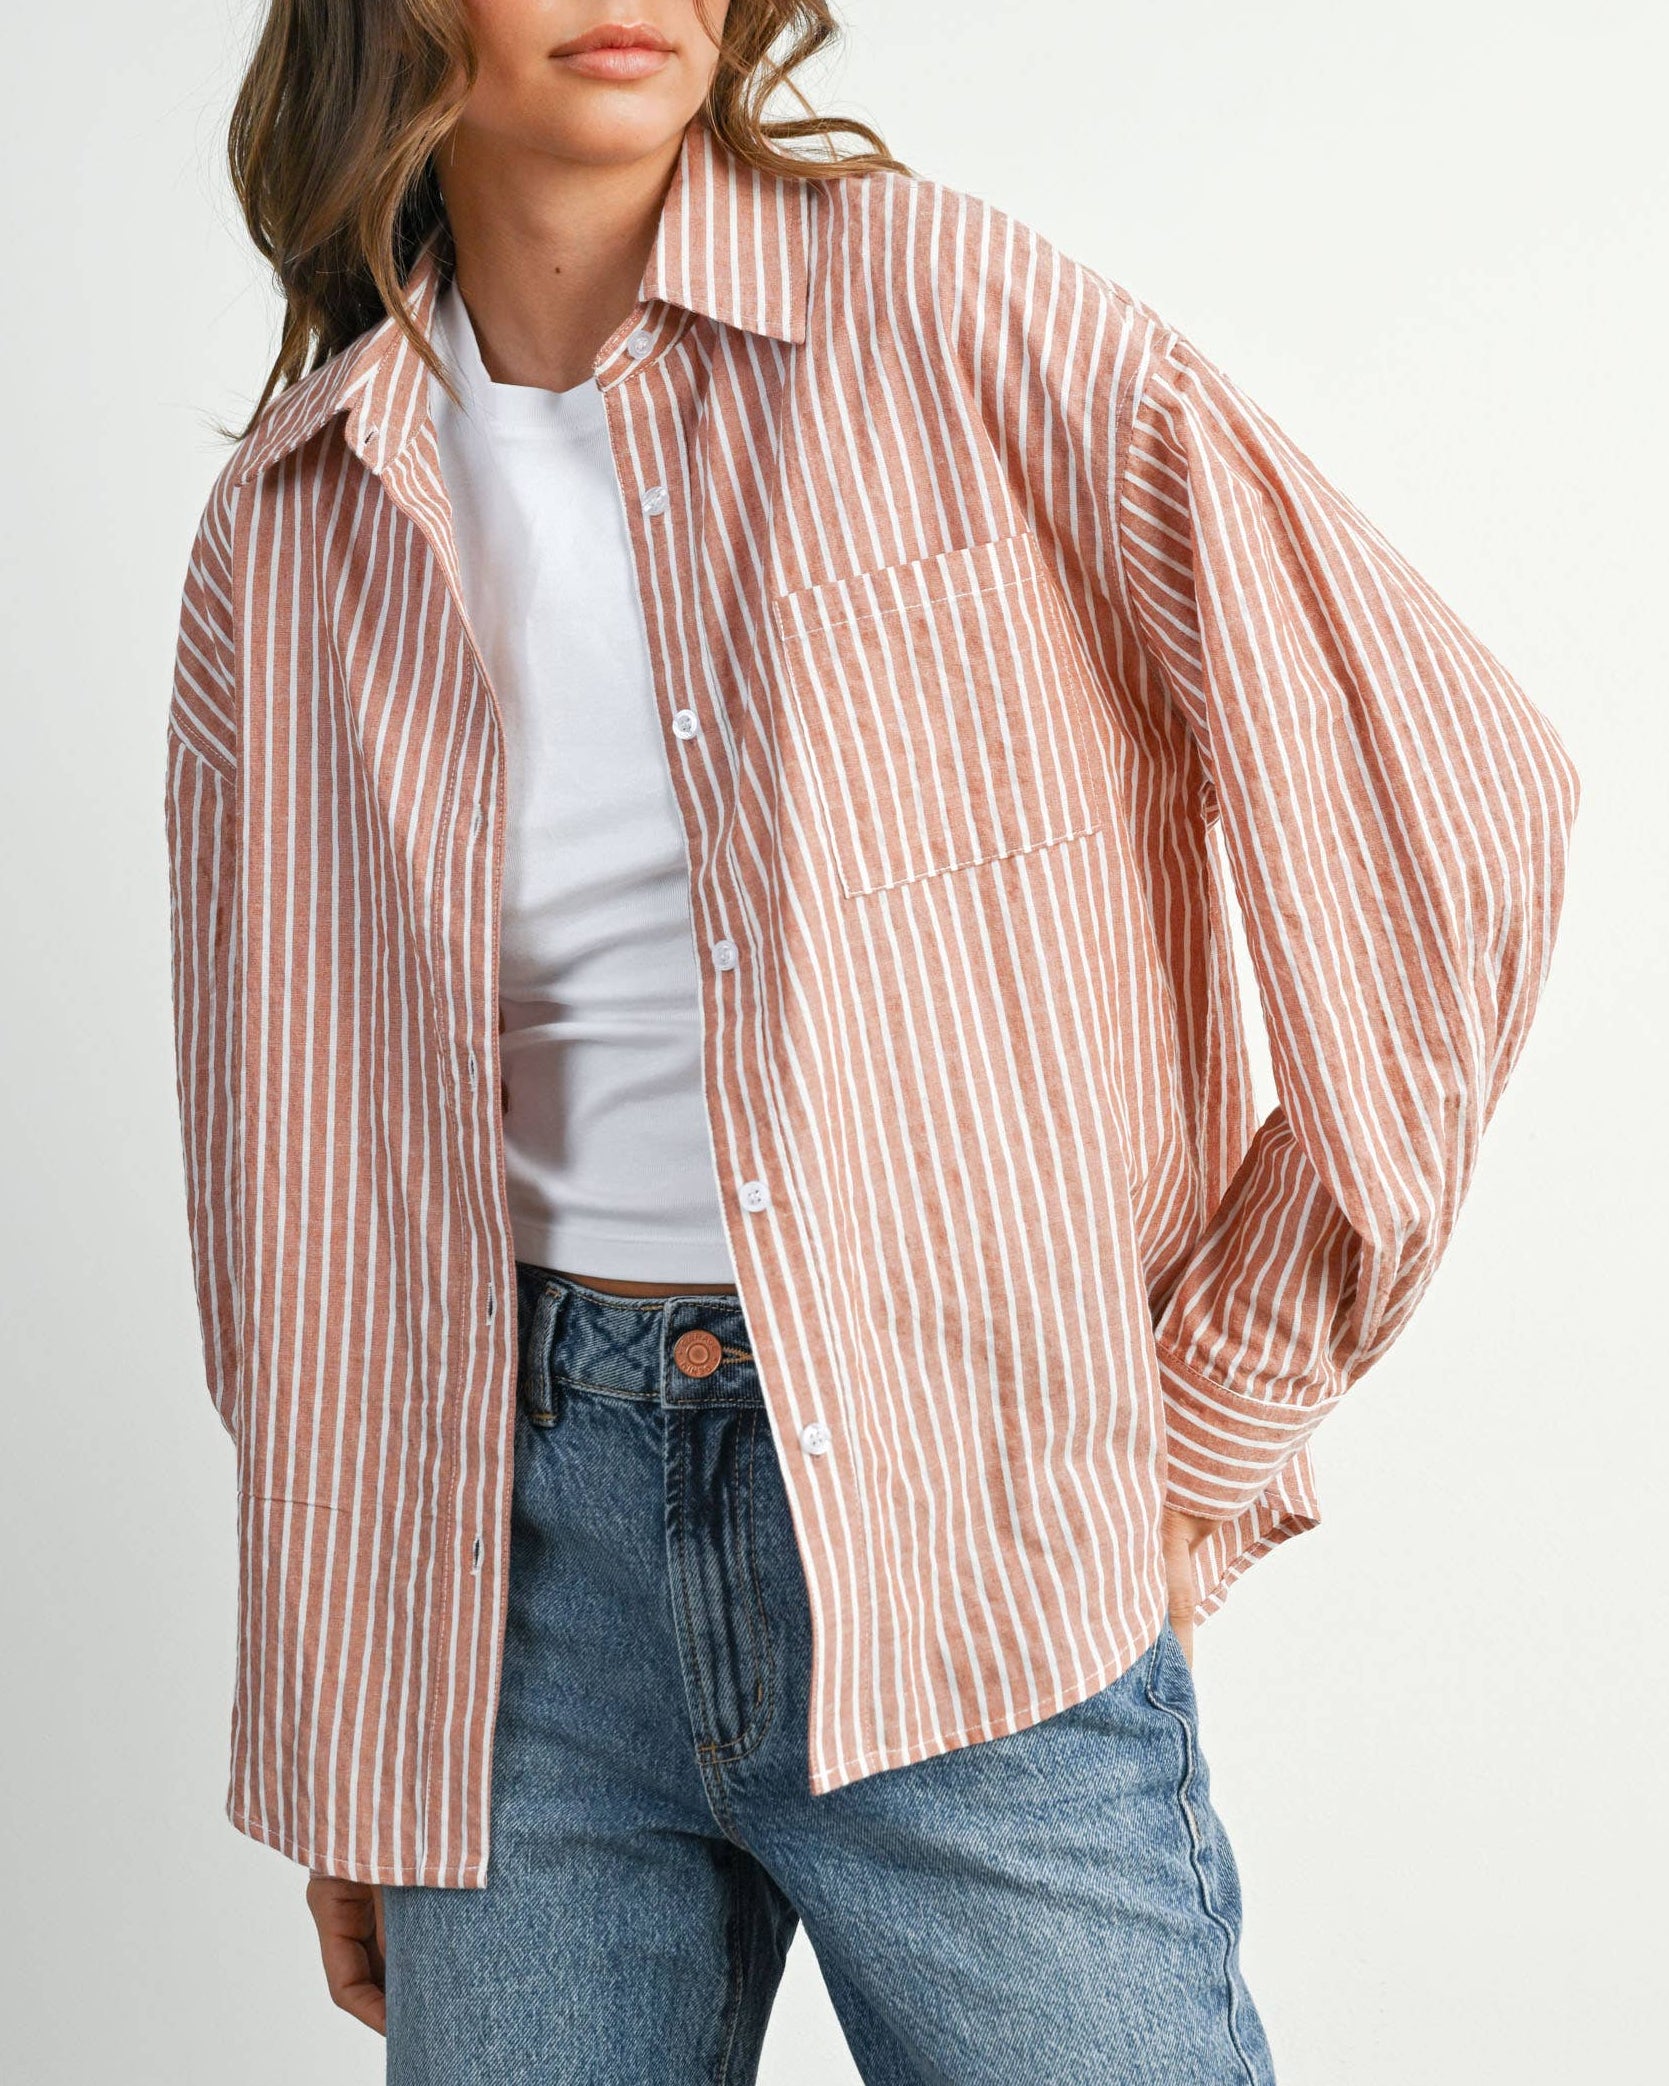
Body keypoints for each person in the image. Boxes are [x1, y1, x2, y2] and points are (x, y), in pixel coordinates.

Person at [162, 2, 1581, 2079]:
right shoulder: (291, 523)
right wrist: (353, 1701)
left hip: (962, 1525)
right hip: (507, 1618)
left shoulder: (943, 307)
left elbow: (1455, 812)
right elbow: (268, 1171)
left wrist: (1194, 1415)